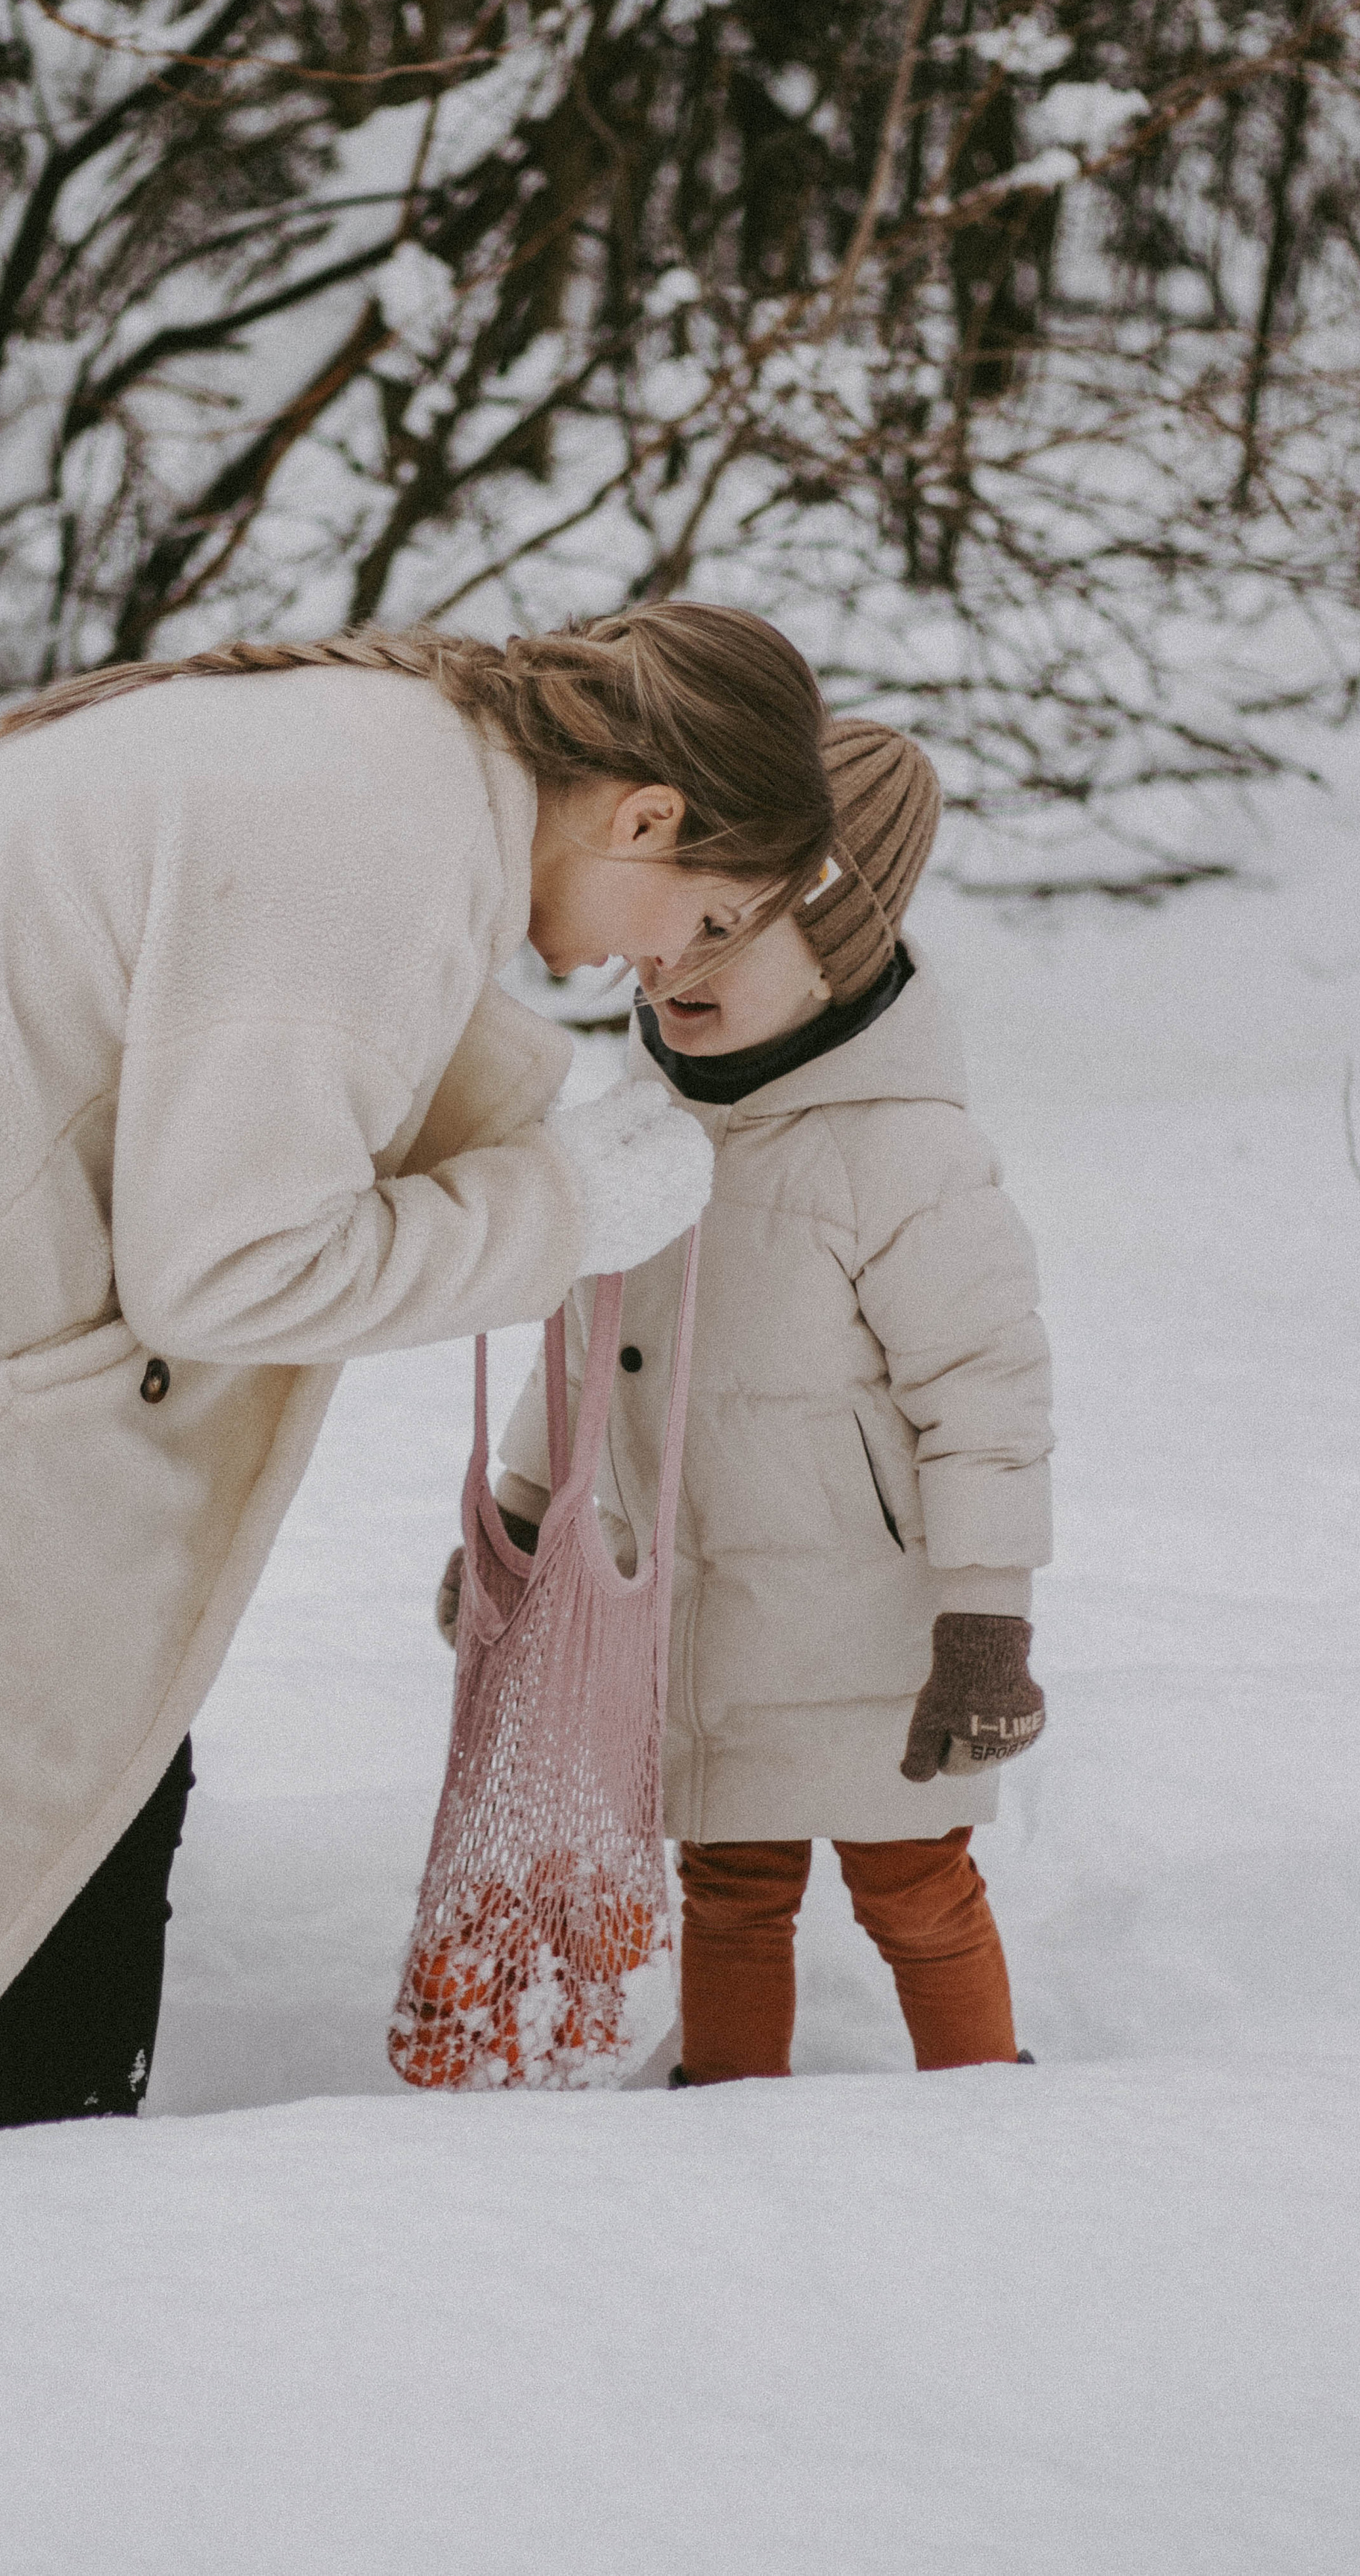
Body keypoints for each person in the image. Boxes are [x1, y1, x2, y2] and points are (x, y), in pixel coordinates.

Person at [0, 604, 836, 2144]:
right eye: (708, 914)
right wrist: (559, 1210)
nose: (671, 963)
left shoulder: (369, 745)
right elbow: (232, 1268)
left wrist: (515, 1131)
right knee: (19, 1849)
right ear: (645, 814)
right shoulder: (374, 831)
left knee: (48, 1809)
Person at [440, 719, 1053, 2080]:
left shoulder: (908, 1154)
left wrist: (986, 1625)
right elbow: (582, 1342)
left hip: (870, 1631)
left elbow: (988, 1402)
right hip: (700, 1613)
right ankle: (726, 2114)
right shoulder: (651, 1133)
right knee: (728, 1882)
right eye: (666, 936)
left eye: (723, 935)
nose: (671, 971)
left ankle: (991, 2113)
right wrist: (525, 1516)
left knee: (912, 1884)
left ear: (833, 944)